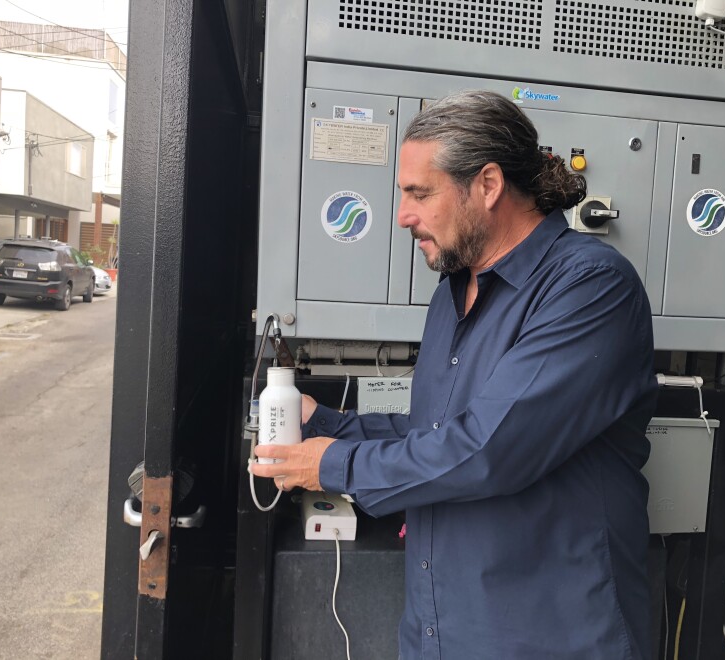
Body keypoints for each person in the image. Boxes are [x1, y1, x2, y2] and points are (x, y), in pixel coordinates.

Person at [252, 90, 658, 659]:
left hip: (551, 638)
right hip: (441, 631)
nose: (402, 216)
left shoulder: (589, 285)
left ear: (488, 185)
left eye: (420, 194)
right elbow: (438, 431)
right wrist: (329, 424)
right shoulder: (453, 292)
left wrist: (332, 465)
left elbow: (489, 449)